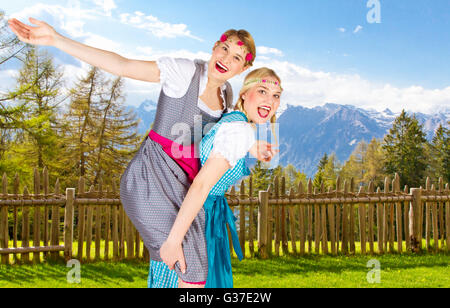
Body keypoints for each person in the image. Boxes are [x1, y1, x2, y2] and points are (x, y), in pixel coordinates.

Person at [8, 17, 274, 287]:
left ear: (244, 68)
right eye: (225, 49)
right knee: (190, 266)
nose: (227, 58)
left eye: (237, 57)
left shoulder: (227, 95)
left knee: (187, 268)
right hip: (149, 180)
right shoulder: (184, 72)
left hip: (182, 187)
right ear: (215, 47)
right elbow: (122, 65)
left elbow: (223, 137)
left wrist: (253, 146)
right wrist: (57, 39)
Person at [160, 67, 282, 288]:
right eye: (262, 91)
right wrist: (174, 241)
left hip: (188, 211)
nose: (270, 101)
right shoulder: (240, 131)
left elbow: (213, 144)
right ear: (245, 93)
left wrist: (252, 147)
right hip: (198, 218)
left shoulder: (231, 118)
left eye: (276, 95)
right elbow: (202, 185)